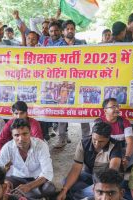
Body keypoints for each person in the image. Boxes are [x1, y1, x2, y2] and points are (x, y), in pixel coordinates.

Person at [57, 122, 122, 200]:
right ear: (91, 134)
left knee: (98, 191)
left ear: (108, 138)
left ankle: (80, 195)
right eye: (94, 140)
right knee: (65, 183)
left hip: (104, 181)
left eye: (101, 141)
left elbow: (112, 171)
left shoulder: (115, 145)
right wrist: (64, 190)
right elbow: (76, 169)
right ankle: (83, 194)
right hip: (88, 175)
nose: (97, 144)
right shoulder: (83, 143)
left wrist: (97, 187)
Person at [0, 118, 56, 199]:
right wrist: (5, 182)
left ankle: (20, 196)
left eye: (25, 134)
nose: (21, 139)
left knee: (49, 188)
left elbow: (47, 172)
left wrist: (29, 186)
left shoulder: (41, 145)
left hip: (36, 179)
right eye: (16, 135)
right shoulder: (8, 147)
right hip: (16, 178)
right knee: (0, 186)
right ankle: (26, 195)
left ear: (30, 133)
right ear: (12, 136)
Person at [54, 20, 90, 148]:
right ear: (63, 31)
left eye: (72, 28)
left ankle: (87, 139)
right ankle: (61, 138)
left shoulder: (83, 44)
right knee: (62, 111)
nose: (70, 30)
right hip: (63, 83)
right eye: (67, 29)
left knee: (82, 109)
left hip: (80, 82)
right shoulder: (56, 46)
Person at [98, 98, 133, 169]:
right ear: (105, 110)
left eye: (118, 106)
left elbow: (130, 142)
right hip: (105, 151)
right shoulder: (98, 123)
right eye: (113, 107)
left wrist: (127, 158)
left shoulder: (125, 122)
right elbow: (95, 143)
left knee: (127, 165)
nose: (117, 109)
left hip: (121, 150)